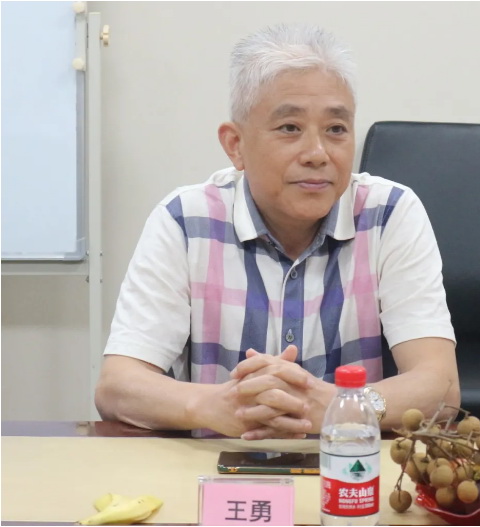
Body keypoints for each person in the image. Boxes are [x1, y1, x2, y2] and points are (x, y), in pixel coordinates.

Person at [95, 23, 460, 439]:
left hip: (348, 466)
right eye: (290, 128)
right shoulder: (185, 220)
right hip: (213, 467)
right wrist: (212, 405)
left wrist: (343, 406)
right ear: (235, 145)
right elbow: (117, 386)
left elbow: (441, 385)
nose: (317, 154)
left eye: (336, 129)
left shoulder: (389, 214)